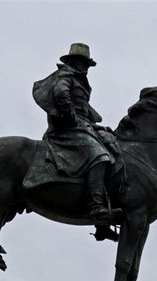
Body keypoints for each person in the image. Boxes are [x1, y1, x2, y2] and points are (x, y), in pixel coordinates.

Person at [33, 42, 123, 229]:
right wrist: (70, 115)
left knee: (112, 144)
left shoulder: (80, 80)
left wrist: (93, 119)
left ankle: (104, 222)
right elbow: (60, 93)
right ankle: (96, 207)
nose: (86, 68)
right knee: (100, 156)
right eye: (84, 63)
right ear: (75, 61)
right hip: (68, 129)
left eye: (88, 65)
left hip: (84, 125)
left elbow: (82, 105)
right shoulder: (66, 76)